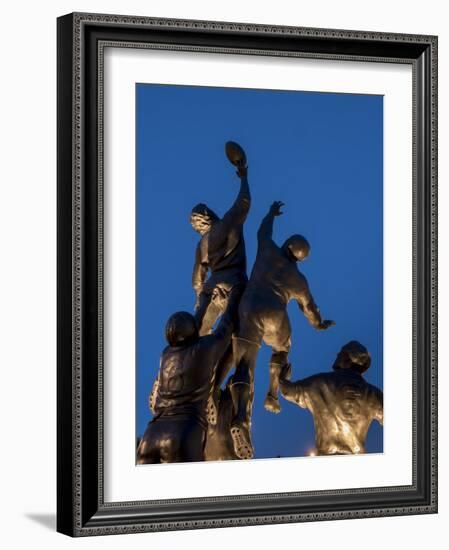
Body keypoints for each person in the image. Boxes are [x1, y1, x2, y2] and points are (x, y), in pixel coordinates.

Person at [230, 201, 335, 459]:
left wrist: (271, 214)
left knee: (243, 364)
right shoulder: (299, 280)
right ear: (300, 258)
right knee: (282, 347)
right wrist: (319, 324)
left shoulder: (268, 250)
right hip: (276, 316)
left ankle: (240, 416)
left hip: (251, 305)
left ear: (287, 244)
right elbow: (310, 308)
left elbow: (261, 232)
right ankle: (272, 394)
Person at [136, 288, 240, 464]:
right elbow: (226, 326)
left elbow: (194, 327)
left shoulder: (166, 354)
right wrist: (232, 300)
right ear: (192, 331)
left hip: (151, 434)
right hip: (183, 431)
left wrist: (205, 301)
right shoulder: (205, 348)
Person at [279, 341, 383, 455]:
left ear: (346, 358)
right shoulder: (374, 394)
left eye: (340, 353)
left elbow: (288, 391)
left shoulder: (319, 383)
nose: (337, 355)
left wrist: (283, 379)